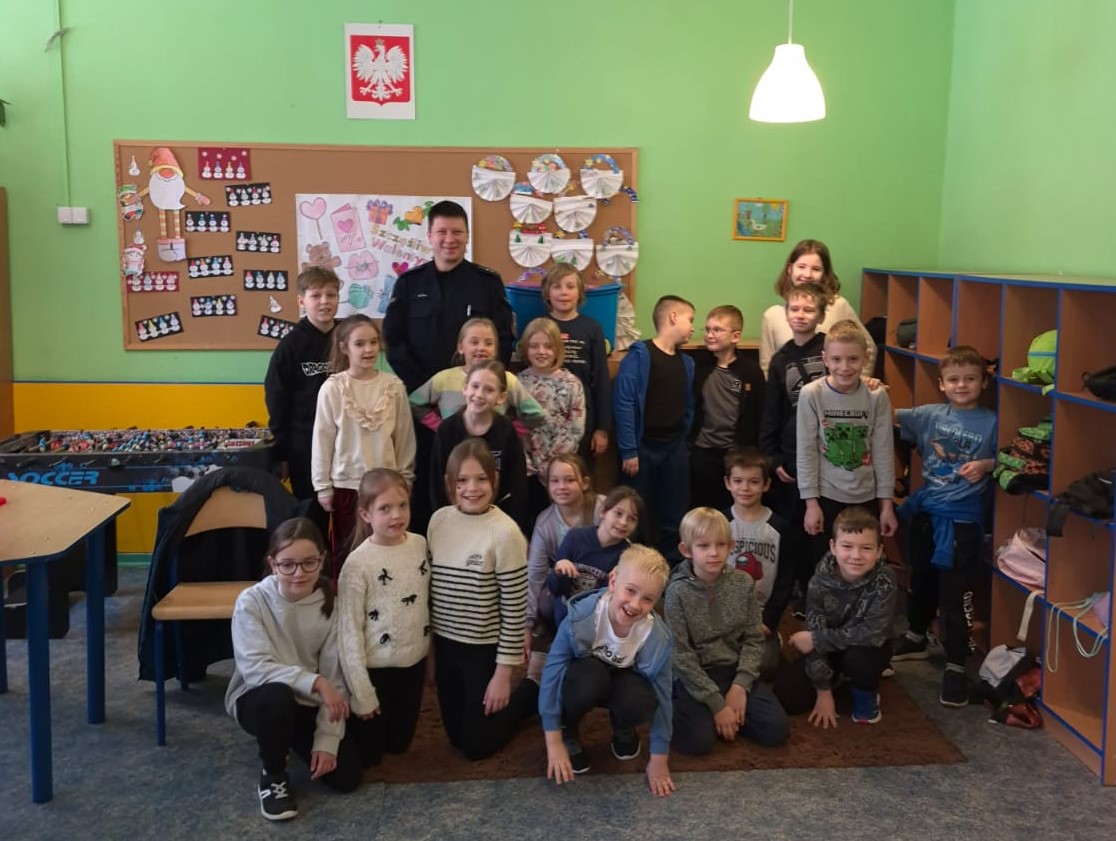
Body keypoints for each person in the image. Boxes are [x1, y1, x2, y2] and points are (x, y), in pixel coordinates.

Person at [225, 517, 361, 821]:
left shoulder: (331, 605)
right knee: (278, 698)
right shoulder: (251, 601)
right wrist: (316, 682)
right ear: (273, 564)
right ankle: (273, 774)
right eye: (288, 565)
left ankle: (285, 737)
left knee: (347, 777)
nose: (299, 573)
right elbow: (255, 669)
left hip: (306, 700)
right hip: (259, 697)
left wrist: (327, 741)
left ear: (322, 560)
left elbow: (336, 678)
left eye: (309, 563)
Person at [890, 346, 996, 707]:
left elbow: (1013, 458)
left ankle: (955, 665)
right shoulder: (930, 414)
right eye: (953, 380)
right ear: (941, 384)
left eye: (970, 379)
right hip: (926, 512)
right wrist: (873, 387)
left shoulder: (992, 421)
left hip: (962, 521)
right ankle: (917, 635)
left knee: (954, 594)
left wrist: (986, 464)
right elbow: (889, 414)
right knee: (920, 578)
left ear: (983, 382)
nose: (961, 385)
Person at [427, 438, 538, 760]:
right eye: (462, 480)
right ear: (450, 483)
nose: (471, 489)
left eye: (480, 479)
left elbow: (515, 608)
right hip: (446, 646)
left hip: (483, 649)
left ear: (494, 480)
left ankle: (528, 694)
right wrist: (431, 654)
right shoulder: (438, 522)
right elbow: (432, 597)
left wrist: (504, 674)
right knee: (456, 738)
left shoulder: (505, 533)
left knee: (477, 747)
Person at [539, 545, 676, 797]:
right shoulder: (580, 617)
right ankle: (568, 728)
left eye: (648, 599)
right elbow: (552, 673)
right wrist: (553, 739)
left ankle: (623, 726)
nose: (635, 604)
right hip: (585, 676)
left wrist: (659, 758)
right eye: (630, 591)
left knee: (641, 699)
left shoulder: (656, 638)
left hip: (623, 679)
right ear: (613, 581)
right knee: (589, 679)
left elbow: (664, 697)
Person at [665, 507, 790, 755]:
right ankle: (710, 714)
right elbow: (681, 655)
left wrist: (740, 686)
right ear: (686, 550)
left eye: (720, 545)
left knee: (776, 729)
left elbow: (754, 639)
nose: (713, 553)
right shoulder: (676, 592)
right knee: (698, 743)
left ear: (731, 546)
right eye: (703, 546)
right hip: (695, 675)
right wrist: (717, 704)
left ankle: (728, 716)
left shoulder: (743, 583)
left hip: (733, 670)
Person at [336, 469, 429, 767]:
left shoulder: (420, 545)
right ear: (366, 514)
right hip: (375, 670)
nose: (396, 515)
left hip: (413, 666)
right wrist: (362, 693)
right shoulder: (357, 564)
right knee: (370, 756)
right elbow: (349, 632)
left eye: (402, 505)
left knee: (400, 747)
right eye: (385, 508)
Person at [774, 507, 897, 727]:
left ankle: (866, 696)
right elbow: (815, 629)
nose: (856, 556)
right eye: (847, 546)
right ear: (833, 547)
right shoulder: (818, 582)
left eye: (866, 548)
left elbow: (872, 634)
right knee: (787, 696)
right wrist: (823, 691)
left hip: (868, 647)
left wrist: (816, 639)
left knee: (860, 660)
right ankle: (838, 679)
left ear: (879, 551)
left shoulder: (886, 579)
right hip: (830, 647)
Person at [311, 315, 416, 569]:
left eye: (373, 342)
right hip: (347, 486)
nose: (368, 349)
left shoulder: (393, 386)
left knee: (388, 555)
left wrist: (406, 477)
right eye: (359, 344)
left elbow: (404, 437)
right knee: (349, 556)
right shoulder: (333, 388)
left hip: (387, 487)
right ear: (344, 347)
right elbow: (322, 440)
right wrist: (323, 486)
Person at [796, 319, 897, 572]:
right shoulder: (812, 394)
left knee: (863, 565)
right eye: (836, 359)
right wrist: (811, 503)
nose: (844, 367)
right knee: (826, 567)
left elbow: (884, 452)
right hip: (827, 496)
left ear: (865, 358)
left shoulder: (876, 396)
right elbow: (806, 451)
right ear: (825, 359)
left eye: (853, 359)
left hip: (866, 496)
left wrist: (886, 505)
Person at [383, 200, 514, 393]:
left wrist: (482, 385)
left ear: (467, 236)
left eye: (457, 232)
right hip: (419, 393)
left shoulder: (488, 284)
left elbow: (503, 341)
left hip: (475, 396)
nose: (450, 239)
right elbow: (394, 340)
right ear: (429, 236)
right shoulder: (408, 283)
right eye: (442, 232)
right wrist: (423, 389)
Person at [759, 281, 828, 606]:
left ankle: (825, 587)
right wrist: (773, 458)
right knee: (796, 527)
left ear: (821, 315)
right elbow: (771, 414)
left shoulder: (830, 350)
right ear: (786, 314)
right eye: (795, 309)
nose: (800, 315)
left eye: (808, 309)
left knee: (824, 527)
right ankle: (799, 586)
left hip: (828, 454)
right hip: (792, 457)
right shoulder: (780, 359)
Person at [613, 294, 695, 564]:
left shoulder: (687, 363)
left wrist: (682, 440)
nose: (693, 327)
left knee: (674, 512)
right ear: (673, 317)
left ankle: (672, 569)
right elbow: (624, 402)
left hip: (674, 448)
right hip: (643, 449)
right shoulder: (639, 357)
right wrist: (629, 449)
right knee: (636, 511)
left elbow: (688, 404)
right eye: (690, 320)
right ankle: (635, 567)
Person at [264, 267, 340, 535]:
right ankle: (314, 560)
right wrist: (282, 453)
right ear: (301, 301)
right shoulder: (290, 346)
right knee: (311, 516)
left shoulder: (348, 337)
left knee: (348, 516)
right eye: (316, 295)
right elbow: (277, 401)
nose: (324, 301)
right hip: (305, 446)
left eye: (331, 294)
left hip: (346, 442)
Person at [428, 360, 529, 533]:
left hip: (496, 522)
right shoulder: (447, 429)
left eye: (489, 390)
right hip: (455, 522)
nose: (479, 394)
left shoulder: (506, 430)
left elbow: (517, 485)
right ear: (465, 388)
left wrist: (509, 525)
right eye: (475, 386)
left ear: (501, 397)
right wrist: (446, 522)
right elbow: (437, 483)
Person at [525, 454, 603, 676]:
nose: (561, 486)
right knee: (545, 600)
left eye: (569, 480)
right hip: (567, 586)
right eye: (555, 480)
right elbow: (535, 574)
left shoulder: (602, 509)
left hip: (601, 583)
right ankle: (555, 635)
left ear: (584, 483)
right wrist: (526, 625)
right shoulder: (545, 522)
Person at [758, 239, 875, 377]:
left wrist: (859, 383)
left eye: (816, 269)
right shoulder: (772, 315)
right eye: (801, 267)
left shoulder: (838, 306)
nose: (807, 274)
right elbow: (767, 366)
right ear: (790, 269)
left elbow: (868, 347)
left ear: (824, 274)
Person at [689, 304, 765, 511]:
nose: (710, 335)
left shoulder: (750, 371)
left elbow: (760, 413)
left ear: (735, 336)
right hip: (702, 452)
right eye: (707, 329)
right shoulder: (698, 366)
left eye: (717, 330)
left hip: (736, 454)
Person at [407, 317, 545, 427]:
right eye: (474, 342)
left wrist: (507, 432)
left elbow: (536, 414)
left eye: (488, 343)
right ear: (461, 347)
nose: (481, 348)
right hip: (453, 449)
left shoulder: (507, 380)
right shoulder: (443, 379)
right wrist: (441, 427)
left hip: (492, 450)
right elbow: (414, 403)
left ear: (495, 349)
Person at [543, 486, 643, 630]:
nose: (623, 522)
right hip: (564, 614)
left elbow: (606, 602)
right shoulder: (575, 537)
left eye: (632, 519)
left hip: (594, 622)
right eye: (618, 513)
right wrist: (558, 571)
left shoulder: (627, 555)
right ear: (603, 512)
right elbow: (555, 589)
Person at [516, 317, 586, 521]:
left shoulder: (572, 383)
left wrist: (553, 466)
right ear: (526, 348)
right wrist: (531, 464)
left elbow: (575, 428)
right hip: (528, 470)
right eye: (534, 346)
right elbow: (513, 427)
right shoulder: (518, 383)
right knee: (530, 520)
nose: (541, 351)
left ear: (557, 349)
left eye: (548, 346)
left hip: (561, 471)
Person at [541, 263, 611, 464]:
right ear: (547, 292)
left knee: (579, 475)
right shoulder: (539, 326)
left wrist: (602, 429)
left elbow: (601, 380)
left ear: (580, 292)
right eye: (557, 286)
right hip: (546, 420)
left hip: (583, 421)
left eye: (570, 286)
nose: (564, 292)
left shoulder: (592, 328)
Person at [723, 447, 793, 639]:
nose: (745, 488)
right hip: (723, 615)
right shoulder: (720, 524)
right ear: (728, 483)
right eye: (738, 481)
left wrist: (769, 620)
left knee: (763, 657)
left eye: (753, 482)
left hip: (762, 616)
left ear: (766, 484)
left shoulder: (780, 527)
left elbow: (785, 579)